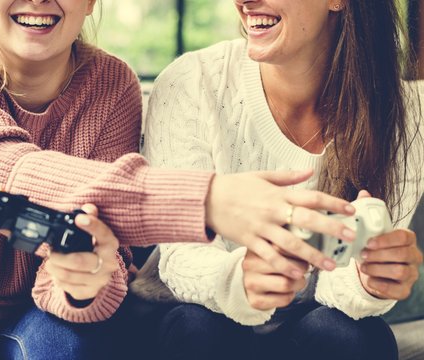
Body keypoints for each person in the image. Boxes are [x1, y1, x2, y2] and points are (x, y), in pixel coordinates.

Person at [0, 0, 367, 358]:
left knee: (72, 345)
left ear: (90, 3)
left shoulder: (111, 85)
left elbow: (108, 262)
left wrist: (82, 287)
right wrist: (205, 201)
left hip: (40, 309)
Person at [134, 0, 424, 359]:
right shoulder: (193, 81)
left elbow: (344, 282)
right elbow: (181, 256)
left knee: (358, 336)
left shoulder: (405, 115)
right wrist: (239, 281)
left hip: (307, 326)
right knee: (199, 328)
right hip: (191, 316)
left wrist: (370, 279)